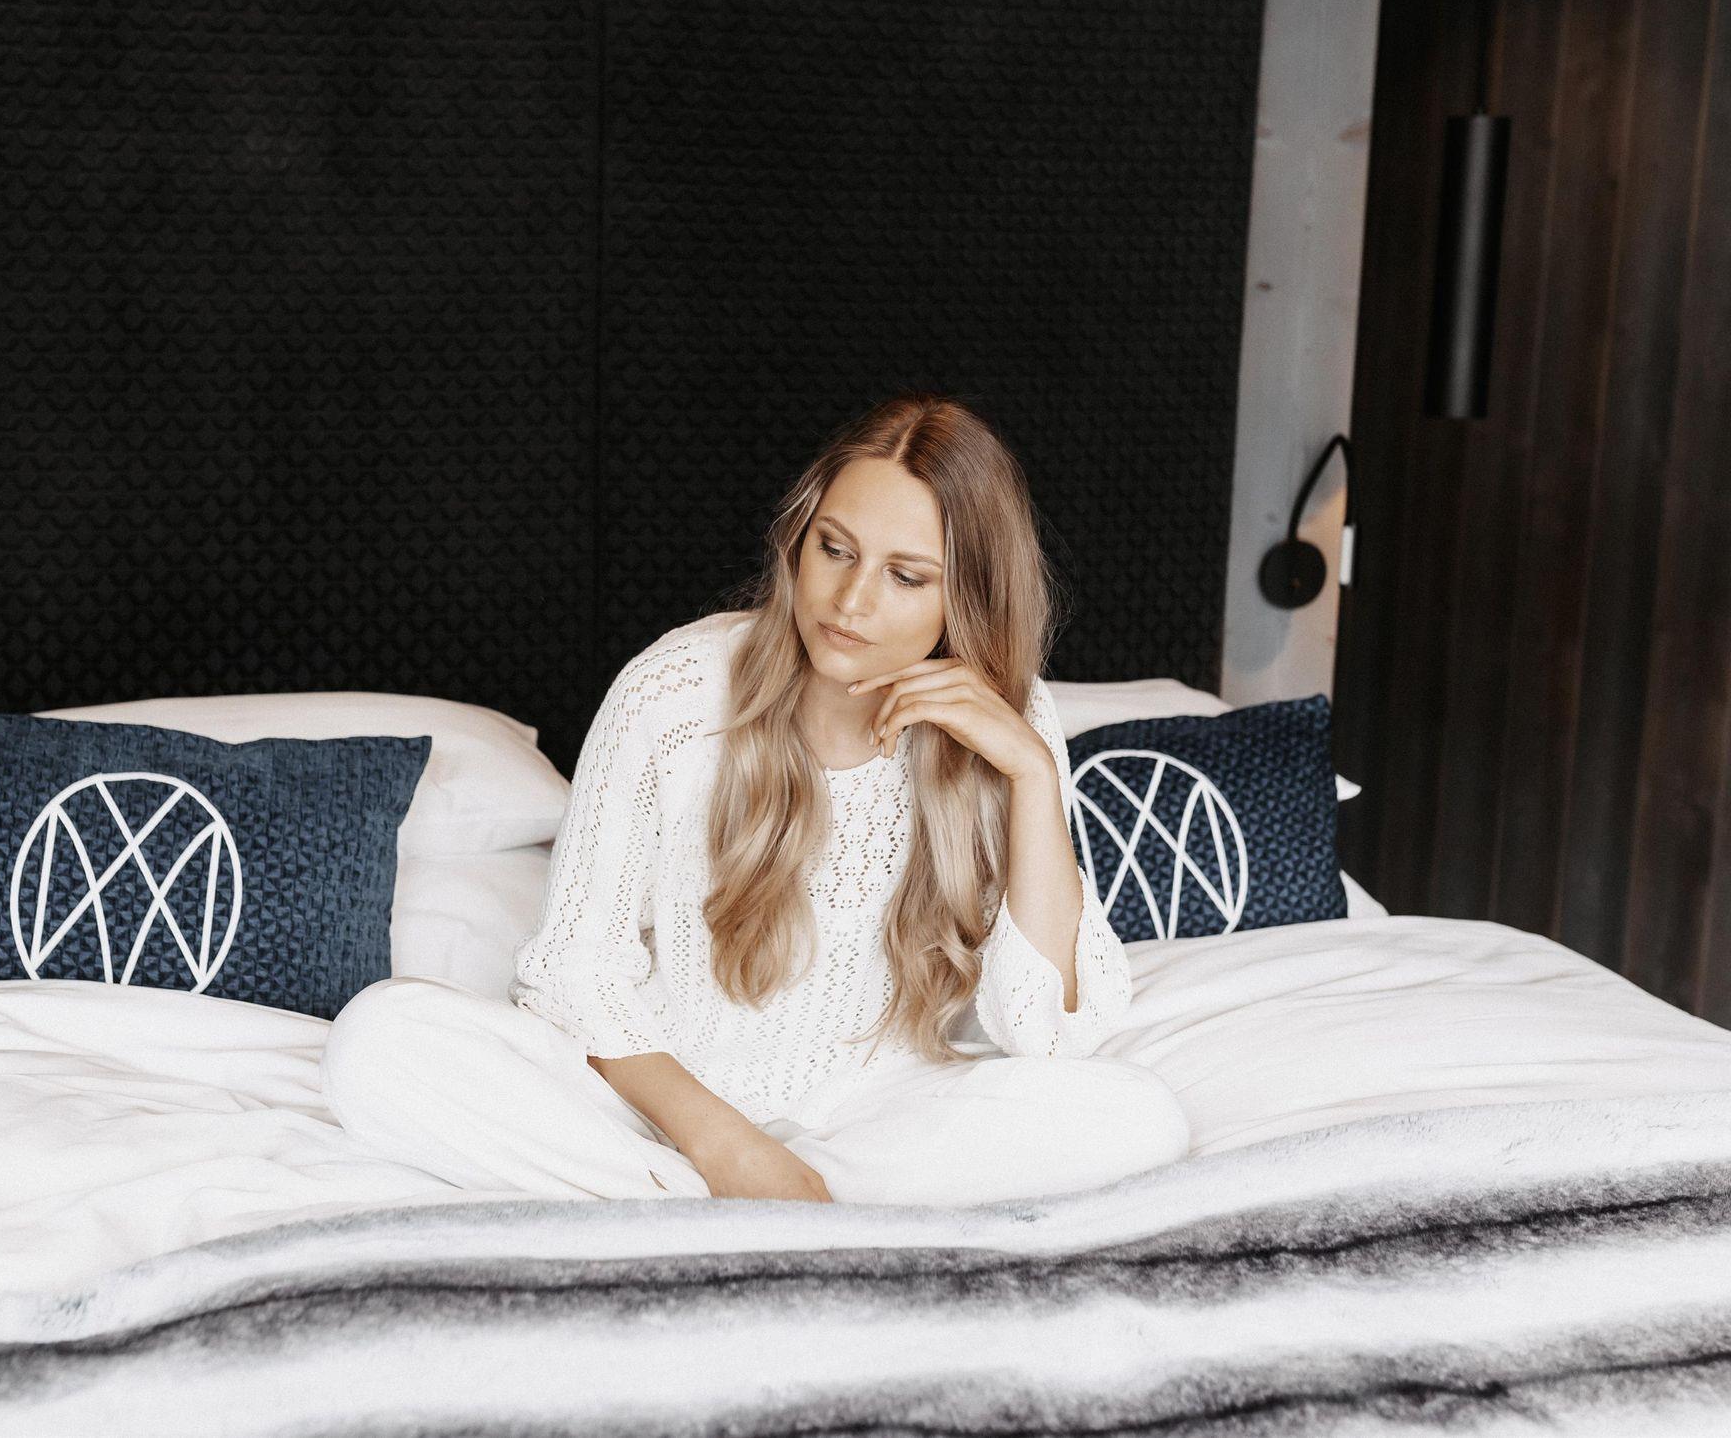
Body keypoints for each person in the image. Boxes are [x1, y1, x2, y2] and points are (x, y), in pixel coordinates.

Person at [322, 394, 1191, 1205]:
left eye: (906, 577)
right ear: (798, 540)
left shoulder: (1010, 723)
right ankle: (776, 1208)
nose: (851, 601)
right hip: (655, 1109)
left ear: (966, 595)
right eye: (836, 549)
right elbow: (575, 971)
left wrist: (1032, 776)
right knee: (381, 1039)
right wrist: (726, 1146)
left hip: (876, 1113)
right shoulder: (674, 690)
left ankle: (731, 1207)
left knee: (1137, 1117)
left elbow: (1045, 1034)